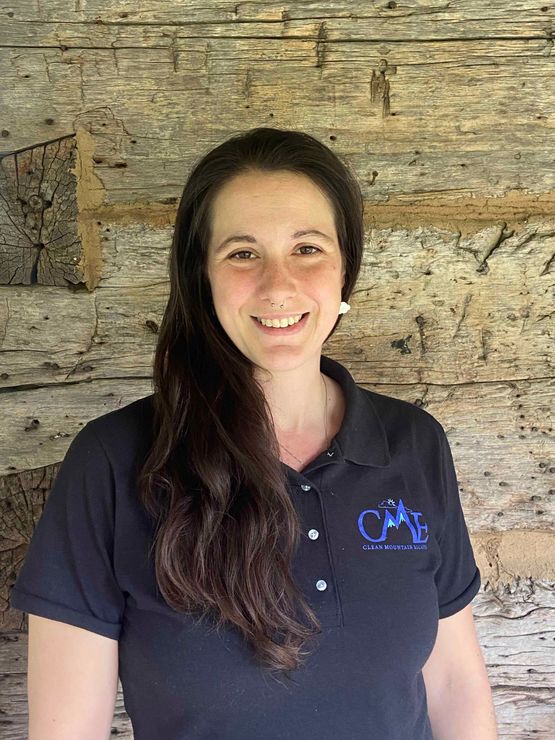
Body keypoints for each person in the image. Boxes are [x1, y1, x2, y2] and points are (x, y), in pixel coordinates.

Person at [10, 127, 498, 739]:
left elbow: (455, 688)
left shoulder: (414, 444)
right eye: (242, 253)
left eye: (308, 248)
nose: (278, 285)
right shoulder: (115, 461)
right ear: (201, 276)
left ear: (345, 266)